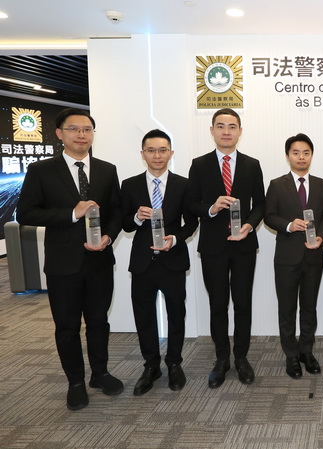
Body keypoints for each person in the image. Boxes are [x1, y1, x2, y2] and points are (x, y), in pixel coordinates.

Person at [16, 108, 123, 410]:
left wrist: (108, 236)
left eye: (87, 129)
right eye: (74, 129)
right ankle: (75, 382)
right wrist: (71, 214)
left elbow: (116, 211)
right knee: (67, 326)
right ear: (59, 133)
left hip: (99, 261)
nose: (81, 135)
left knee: (99, 322)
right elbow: (26, 213)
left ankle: (100, 374)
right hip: (63, 264)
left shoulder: (106, 170)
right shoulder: (41, 170)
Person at [186, 108, 265, 388]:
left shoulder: (252, 165)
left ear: (240, 131)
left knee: (243, 303)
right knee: (217, 304)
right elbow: (190, 203)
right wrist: (211, 207)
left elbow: (261, 204)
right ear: (212, 131)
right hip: (213, 247)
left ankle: (241, 357)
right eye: (220, 126)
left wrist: (250, 225)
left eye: (232, 126)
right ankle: (222, 359)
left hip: (243, 245)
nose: (226, 131)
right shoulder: (199, 164)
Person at [120, 129, 198, 395]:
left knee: (176, 315)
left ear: (171, 153)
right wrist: (136, 218)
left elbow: (192, 223)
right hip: (142, 263)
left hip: (172, 261)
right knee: (144, 316)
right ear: (142, 154)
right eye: (151, 150)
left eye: (162, 150)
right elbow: (124, 224)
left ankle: (174, 363)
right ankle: (151, 366)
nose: (157, 155)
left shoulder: (184, 184)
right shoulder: (129, 185)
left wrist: (175, 239)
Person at [264, 133, 323, 379]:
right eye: (296, 153)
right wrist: (289, 225)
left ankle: (306, 351)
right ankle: (291, 354)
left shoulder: (322, 184)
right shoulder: (276, 184)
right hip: (286, 258)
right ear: (287, 156)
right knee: (287, 309)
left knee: (309, 307)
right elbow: (269, 216)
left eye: (306, 153)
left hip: (313, 257)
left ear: (311, 155)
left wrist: (321, 237)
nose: (301, 157)